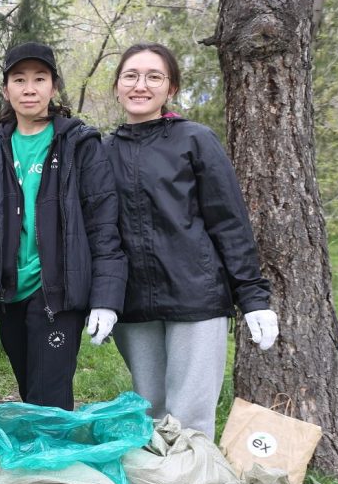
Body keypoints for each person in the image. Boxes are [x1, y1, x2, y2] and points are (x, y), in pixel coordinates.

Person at [105, 42, 278, 437]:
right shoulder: (103, 150)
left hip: (195, 297)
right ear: (117, 86)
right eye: (131, 76)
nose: (140, 85)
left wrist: (253, 298)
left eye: (154, 77)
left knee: (189, 422)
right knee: (150, 413)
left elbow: (229, 221)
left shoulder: (195, 139)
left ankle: (195, 477)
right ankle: (159, 478)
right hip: (133, 303)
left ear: (171, 88)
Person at [0, 42, 127, 410]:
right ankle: (40, 447)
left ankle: (53, 449)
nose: (29, 88)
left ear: (53, 86)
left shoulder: (79, 143)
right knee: (31, 394)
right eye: (19, 79)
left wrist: (105, 299)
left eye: (39, 79)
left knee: (50, 400)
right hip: (9, 292)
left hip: (57, 292)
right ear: (6, 89)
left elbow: (103, 225)